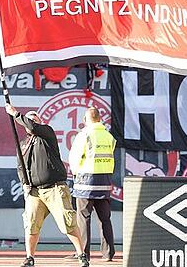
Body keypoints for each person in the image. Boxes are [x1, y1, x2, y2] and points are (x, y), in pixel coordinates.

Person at [4, 103, 90, 267]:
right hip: (34, 191)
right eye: (29, 119)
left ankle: (81, 255)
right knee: (31, 224)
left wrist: (15, 113)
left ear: (39, 121)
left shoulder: (47, 132)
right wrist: (25, 184)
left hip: (55, 188)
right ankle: (30, 258)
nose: (31, 121)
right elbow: (21, 166)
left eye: (34, 118)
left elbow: (32, 126)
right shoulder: (23, 144)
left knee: (67, 223)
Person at [69, 107, 116, 262]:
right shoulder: (108, 136)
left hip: (86, 183)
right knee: (105, 219)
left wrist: (76, 173)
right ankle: (108, 253)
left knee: (83, 219)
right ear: (99, 118)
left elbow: (74, 159)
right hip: (104, 182)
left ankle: (83, 254)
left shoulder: (84, 135)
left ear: (86, 119)